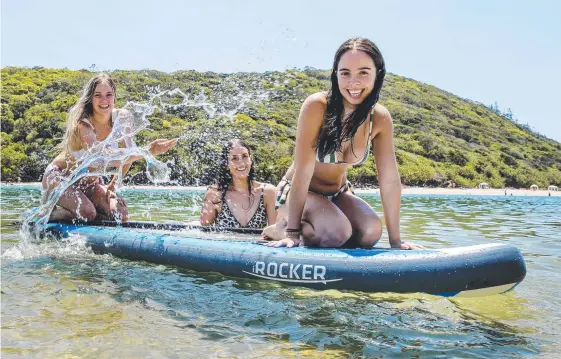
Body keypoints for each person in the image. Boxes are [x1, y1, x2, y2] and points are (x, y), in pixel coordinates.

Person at [263, 37, 424, 249]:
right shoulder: (317, 107)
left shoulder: (380, 119)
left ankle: (323, 227)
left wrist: (396, 241)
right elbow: (302, 170)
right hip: (299, 193)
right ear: (335, 74)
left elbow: (390, 181)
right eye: (345, 73)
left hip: (338, 194)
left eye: (363, 73)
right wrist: (292, 233)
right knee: (336, 233)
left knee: (370, 232)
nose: (353, 83)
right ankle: (279, 228)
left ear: (378, 74)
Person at [41, 73, 177, 222]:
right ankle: (47, 214)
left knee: (120, 214)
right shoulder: (83, 125)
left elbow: (128, 156)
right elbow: (103, 157)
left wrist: (112, 187)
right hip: (60, 178)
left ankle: (87, 210)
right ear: (90, 99)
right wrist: (149, 150)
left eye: (108, 95)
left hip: (90, 183)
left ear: (114, 96)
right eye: (98, 95)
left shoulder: (122, 117)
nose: (104, 100)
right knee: (87, 213)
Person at [200, 139, 277, 228]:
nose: (241, 163)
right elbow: (202, 232)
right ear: (226, 165)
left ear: (250, 159)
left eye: (245, 156)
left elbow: (275, 231)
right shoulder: (215, 195)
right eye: (234, 158)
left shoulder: (268, 192)